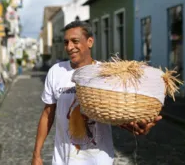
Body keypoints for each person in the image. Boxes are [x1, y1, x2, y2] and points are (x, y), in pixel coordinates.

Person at [31, 21, 162, 165]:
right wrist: (37, 154)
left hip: (99, 160)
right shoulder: (56, 71)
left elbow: (117, 113)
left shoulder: (106, 73)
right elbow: (47, 115)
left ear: (90, 42)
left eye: (75, 41)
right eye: (66, 42)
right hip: (64, 160)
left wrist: (135, 125)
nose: (69, 47)